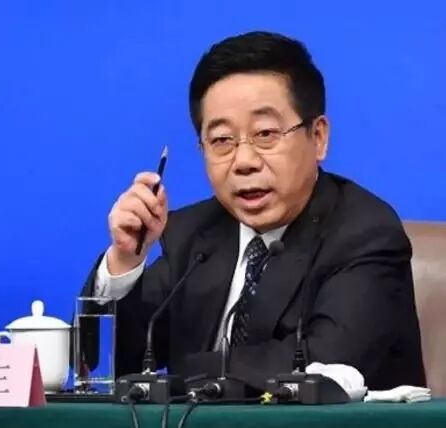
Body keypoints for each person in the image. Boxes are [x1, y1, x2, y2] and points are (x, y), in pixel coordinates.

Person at [80, 31, 425, 393]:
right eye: (221, 140)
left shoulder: (365, 232)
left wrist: (184, 372)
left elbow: (323, 368)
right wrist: (124, 262)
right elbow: (108, 364)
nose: (244, 161)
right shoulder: (193, 234)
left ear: (318, 137)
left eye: (265, 133)